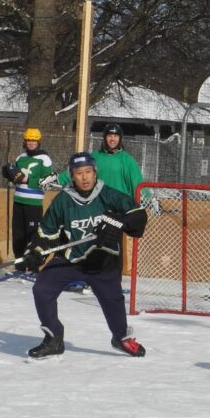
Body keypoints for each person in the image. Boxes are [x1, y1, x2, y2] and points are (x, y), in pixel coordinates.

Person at [23, 152, 148, 360]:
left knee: (114, 301)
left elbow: (138, 214)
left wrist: (119, 223)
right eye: (79, 173)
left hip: (103, 263)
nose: (84, 177)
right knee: (42, 289)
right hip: (71, 260)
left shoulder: (108, 194)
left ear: (95, 172)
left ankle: (121, 338)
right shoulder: (63, 200)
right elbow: (46, 234)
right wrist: (34, 253)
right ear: (72, 176)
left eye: (88, 172)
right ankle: (54, 338)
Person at [2, 128, 54, 272]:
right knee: (18, 235)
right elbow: (16, 178)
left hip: (34, 203)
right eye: (29, 140)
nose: (31, 143)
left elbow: (48, 183)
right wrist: (9, 175)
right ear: (25, 142)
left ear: (39, 142)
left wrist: (27, 179)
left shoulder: (44, 159)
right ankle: (19, 264)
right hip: (18, 201)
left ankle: (33, 266)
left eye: (34, 141)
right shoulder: (20, 158)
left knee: (32, 235)